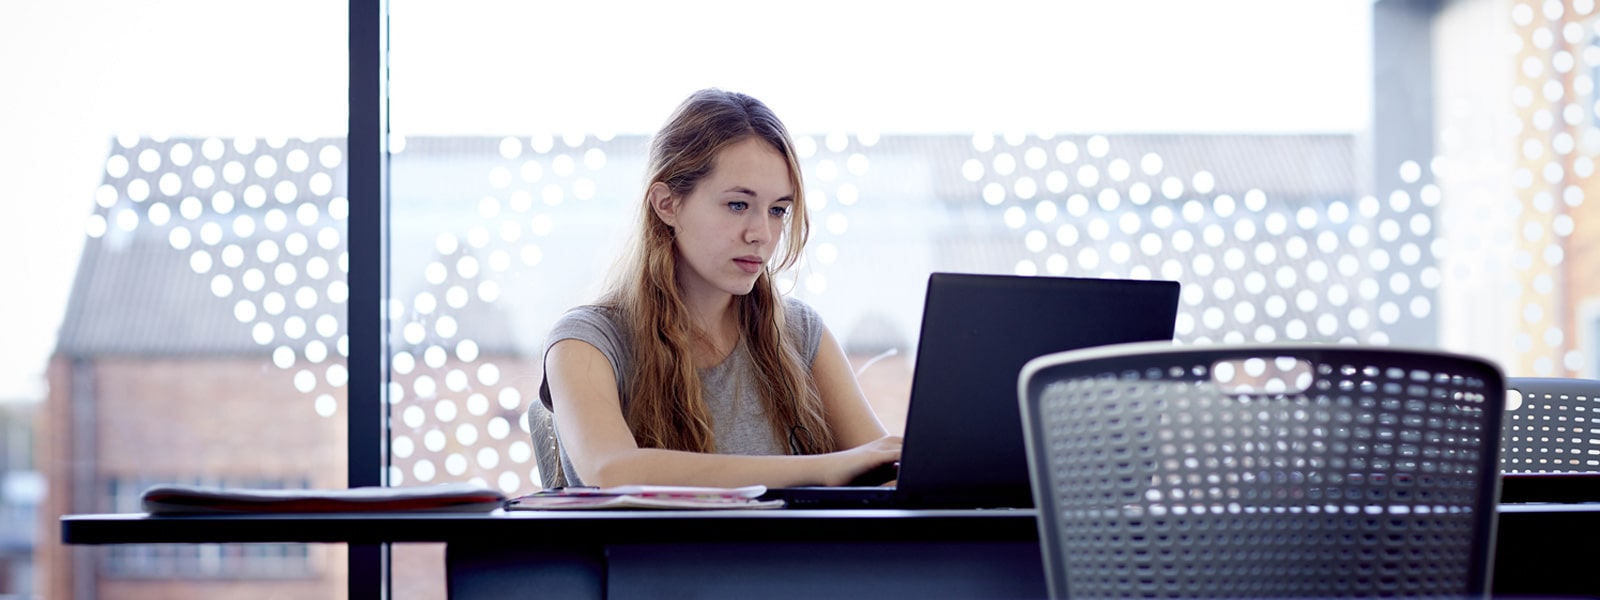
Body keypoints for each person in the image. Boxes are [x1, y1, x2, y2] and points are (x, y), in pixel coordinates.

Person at [535, 89, 901, 488]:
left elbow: (879, 469)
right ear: (667, 204)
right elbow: (612, 471)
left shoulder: (798, 332)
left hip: (791, 554)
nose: (761, 234)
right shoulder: (586, 341)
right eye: (738, 205)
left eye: (778, 210)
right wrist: (825, 468)